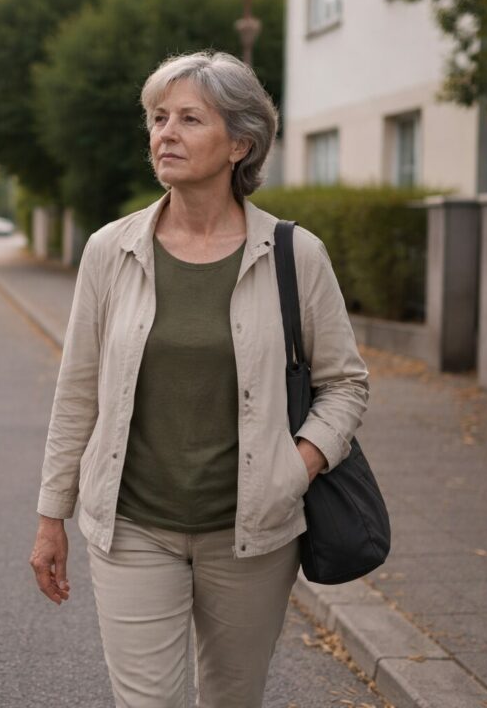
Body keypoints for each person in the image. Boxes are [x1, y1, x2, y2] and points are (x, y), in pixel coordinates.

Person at [29, 51, 369, 707]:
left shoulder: (295, 255)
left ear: (240, 141)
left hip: (252, 534)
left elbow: (345, 385)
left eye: (189, 118)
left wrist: (294, 467)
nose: (166, 134)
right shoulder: (111, 251)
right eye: (158, 118)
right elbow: (77, 395)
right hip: (132, 527)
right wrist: (52, 517)